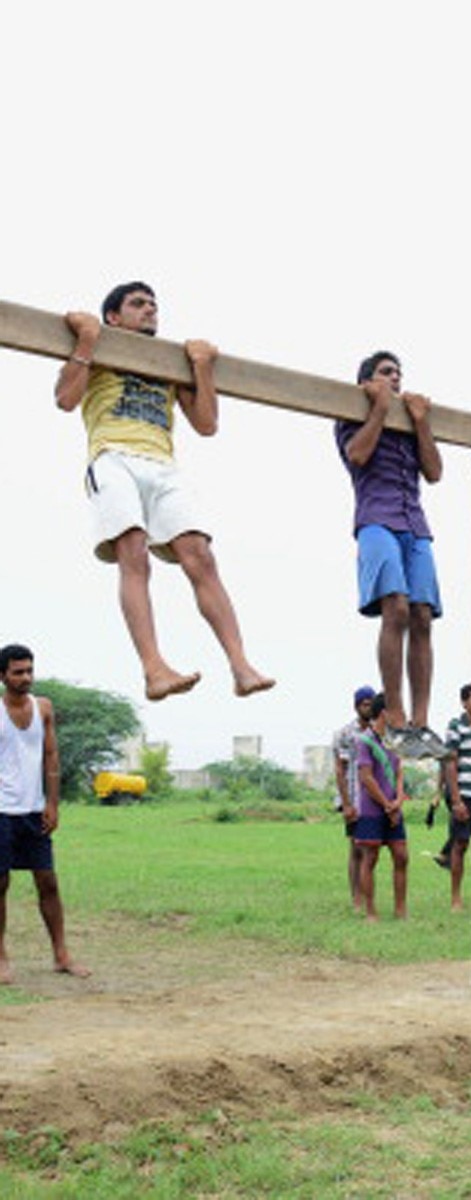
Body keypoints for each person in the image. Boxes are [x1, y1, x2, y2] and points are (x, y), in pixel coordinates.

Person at [54, 282, 274, 702]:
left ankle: (240, 665)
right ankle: (154, 669)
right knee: (133, 552)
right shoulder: (99, 344)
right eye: (138, 304)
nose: (150, 310)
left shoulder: (170, 361)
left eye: (154, 305)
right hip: (112, 456)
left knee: (201, 556)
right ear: (114, 317)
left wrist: (202, 368)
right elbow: (65, 399)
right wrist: (85, 339)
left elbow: (207, 424)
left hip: (163, 465)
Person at [335, 351, 446, 759]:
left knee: (421, 614)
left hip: (415, 525)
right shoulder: (351, 414)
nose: (395, 379)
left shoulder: (408, 423)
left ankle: (421, 720)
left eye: (399, 374)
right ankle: (395, 714)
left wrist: (420, 422)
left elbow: (433, 472)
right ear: (366, 381)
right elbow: (359, 455)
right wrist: (379, 408)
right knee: (395, 607)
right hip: (376, 520)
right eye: (386, 373)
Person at [0, 644, 89, 983]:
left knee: (48, 881)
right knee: (0, 884)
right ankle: (2, 957)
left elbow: (51, 756)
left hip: (34, 809)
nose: (25, 677)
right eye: (17, 672)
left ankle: (61, 955)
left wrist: (53, 803)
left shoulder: (44, 708)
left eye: (29, 671)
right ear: (2, 675)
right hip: (2, 812)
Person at [353, 694, 408, 920]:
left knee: (401, 855)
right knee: (371, 857)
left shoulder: (395, 741)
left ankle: (400, 909)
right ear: (385, 712)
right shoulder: (363, 741)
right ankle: (370, 911)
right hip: (372, 809)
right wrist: (387, 804)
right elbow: (366, 778)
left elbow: (399, 772)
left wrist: (399, 799)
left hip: (394, 808)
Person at [332, 685, 375, 911]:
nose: (369, 708)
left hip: (375, 798)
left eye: (372, 703)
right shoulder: (346, 734)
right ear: (357, 706)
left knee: (372, 849)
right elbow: (341, 770)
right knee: (357, 848)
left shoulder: (380, 732)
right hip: (354, 798)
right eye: (365, 704)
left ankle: (368, 896)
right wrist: (347, 804)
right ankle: (356, 898)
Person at [442, 683, 471, 911]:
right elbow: (450, 762)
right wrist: (456, 800)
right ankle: (456, 897)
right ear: (465, 702)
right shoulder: (456, 726)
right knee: (460, 844)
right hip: (464, 793)